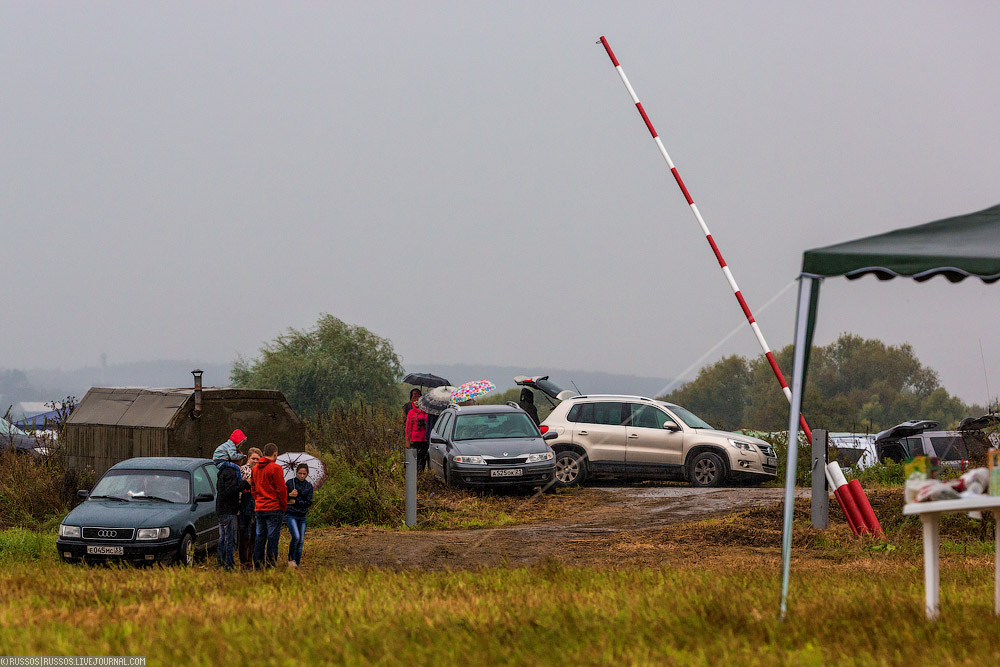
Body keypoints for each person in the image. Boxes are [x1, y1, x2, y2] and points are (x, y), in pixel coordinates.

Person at [212, 430, 248, 571]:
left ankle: (220, 563)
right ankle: (228, 565)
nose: (242, 462)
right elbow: (231, 490)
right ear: (236, 460)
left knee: (223, 538)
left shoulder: (222, 472)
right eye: (241, 460)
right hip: (228, 510)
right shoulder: (232, 472)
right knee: (230, 539)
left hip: (221, 509)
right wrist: (245, 484)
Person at [250, 442, 287, 569]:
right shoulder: (276, 468)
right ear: (275, 454)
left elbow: (253, 488)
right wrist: (283, 505)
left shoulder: (255, 469)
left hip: (260, 507)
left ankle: (258, 564)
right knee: (272, 538)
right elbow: (281, 489)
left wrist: (258, 500)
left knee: (260, 537)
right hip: (273, 507)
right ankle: (270, 565)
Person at [285, 463, 314, 569]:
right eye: (300, 473)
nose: (302, 476)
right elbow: (283, 498)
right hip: (290, 514)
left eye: (304, 474)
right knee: (296, 536)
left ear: (307, 474)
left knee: (301, 540)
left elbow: (308, 502)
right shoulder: (289, 483)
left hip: (302, 515)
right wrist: (289, 495)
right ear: (296, 472)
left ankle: (297, 562)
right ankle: (291, 558)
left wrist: (296, 501)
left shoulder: (309, 486)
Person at [237, 447, 261, 568]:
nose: (255, 461)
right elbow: (238, 485)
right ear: (249, 458)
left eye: (258, 458)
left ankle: (251, 560)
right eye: (253, 458)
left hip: (257, 504)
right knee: (244, 533)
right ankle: (243, 561)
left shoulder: (261, 471)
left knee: (254, 534)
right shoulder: (242, 469)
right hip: (243, 504)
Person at [405, 399, 430, 472]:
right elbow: (408, 427)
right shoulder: (411, 412)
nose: (416, 402)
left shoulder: (426, 412)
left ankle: (421, 472)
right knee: (417, 457)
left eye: (418, 400)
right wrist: (407, 440)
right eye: (415, 400)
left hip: (425, 438)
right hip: (416, 439)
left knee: (424, 457)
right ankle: (417, 473)